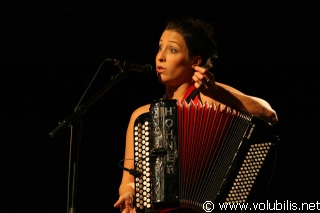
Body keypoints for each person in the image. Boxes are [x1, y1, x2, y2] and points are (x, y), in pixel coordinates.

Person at [113, 16, 278, 213]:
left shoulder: (214, 97)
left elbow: (269, 114)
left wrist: (216, 91)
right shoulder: (142, 116)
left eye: (172, 50)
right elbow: (129, 181)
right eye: (160, 47)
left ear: (195, 61)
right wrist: (128, 193)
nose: (160, 56)